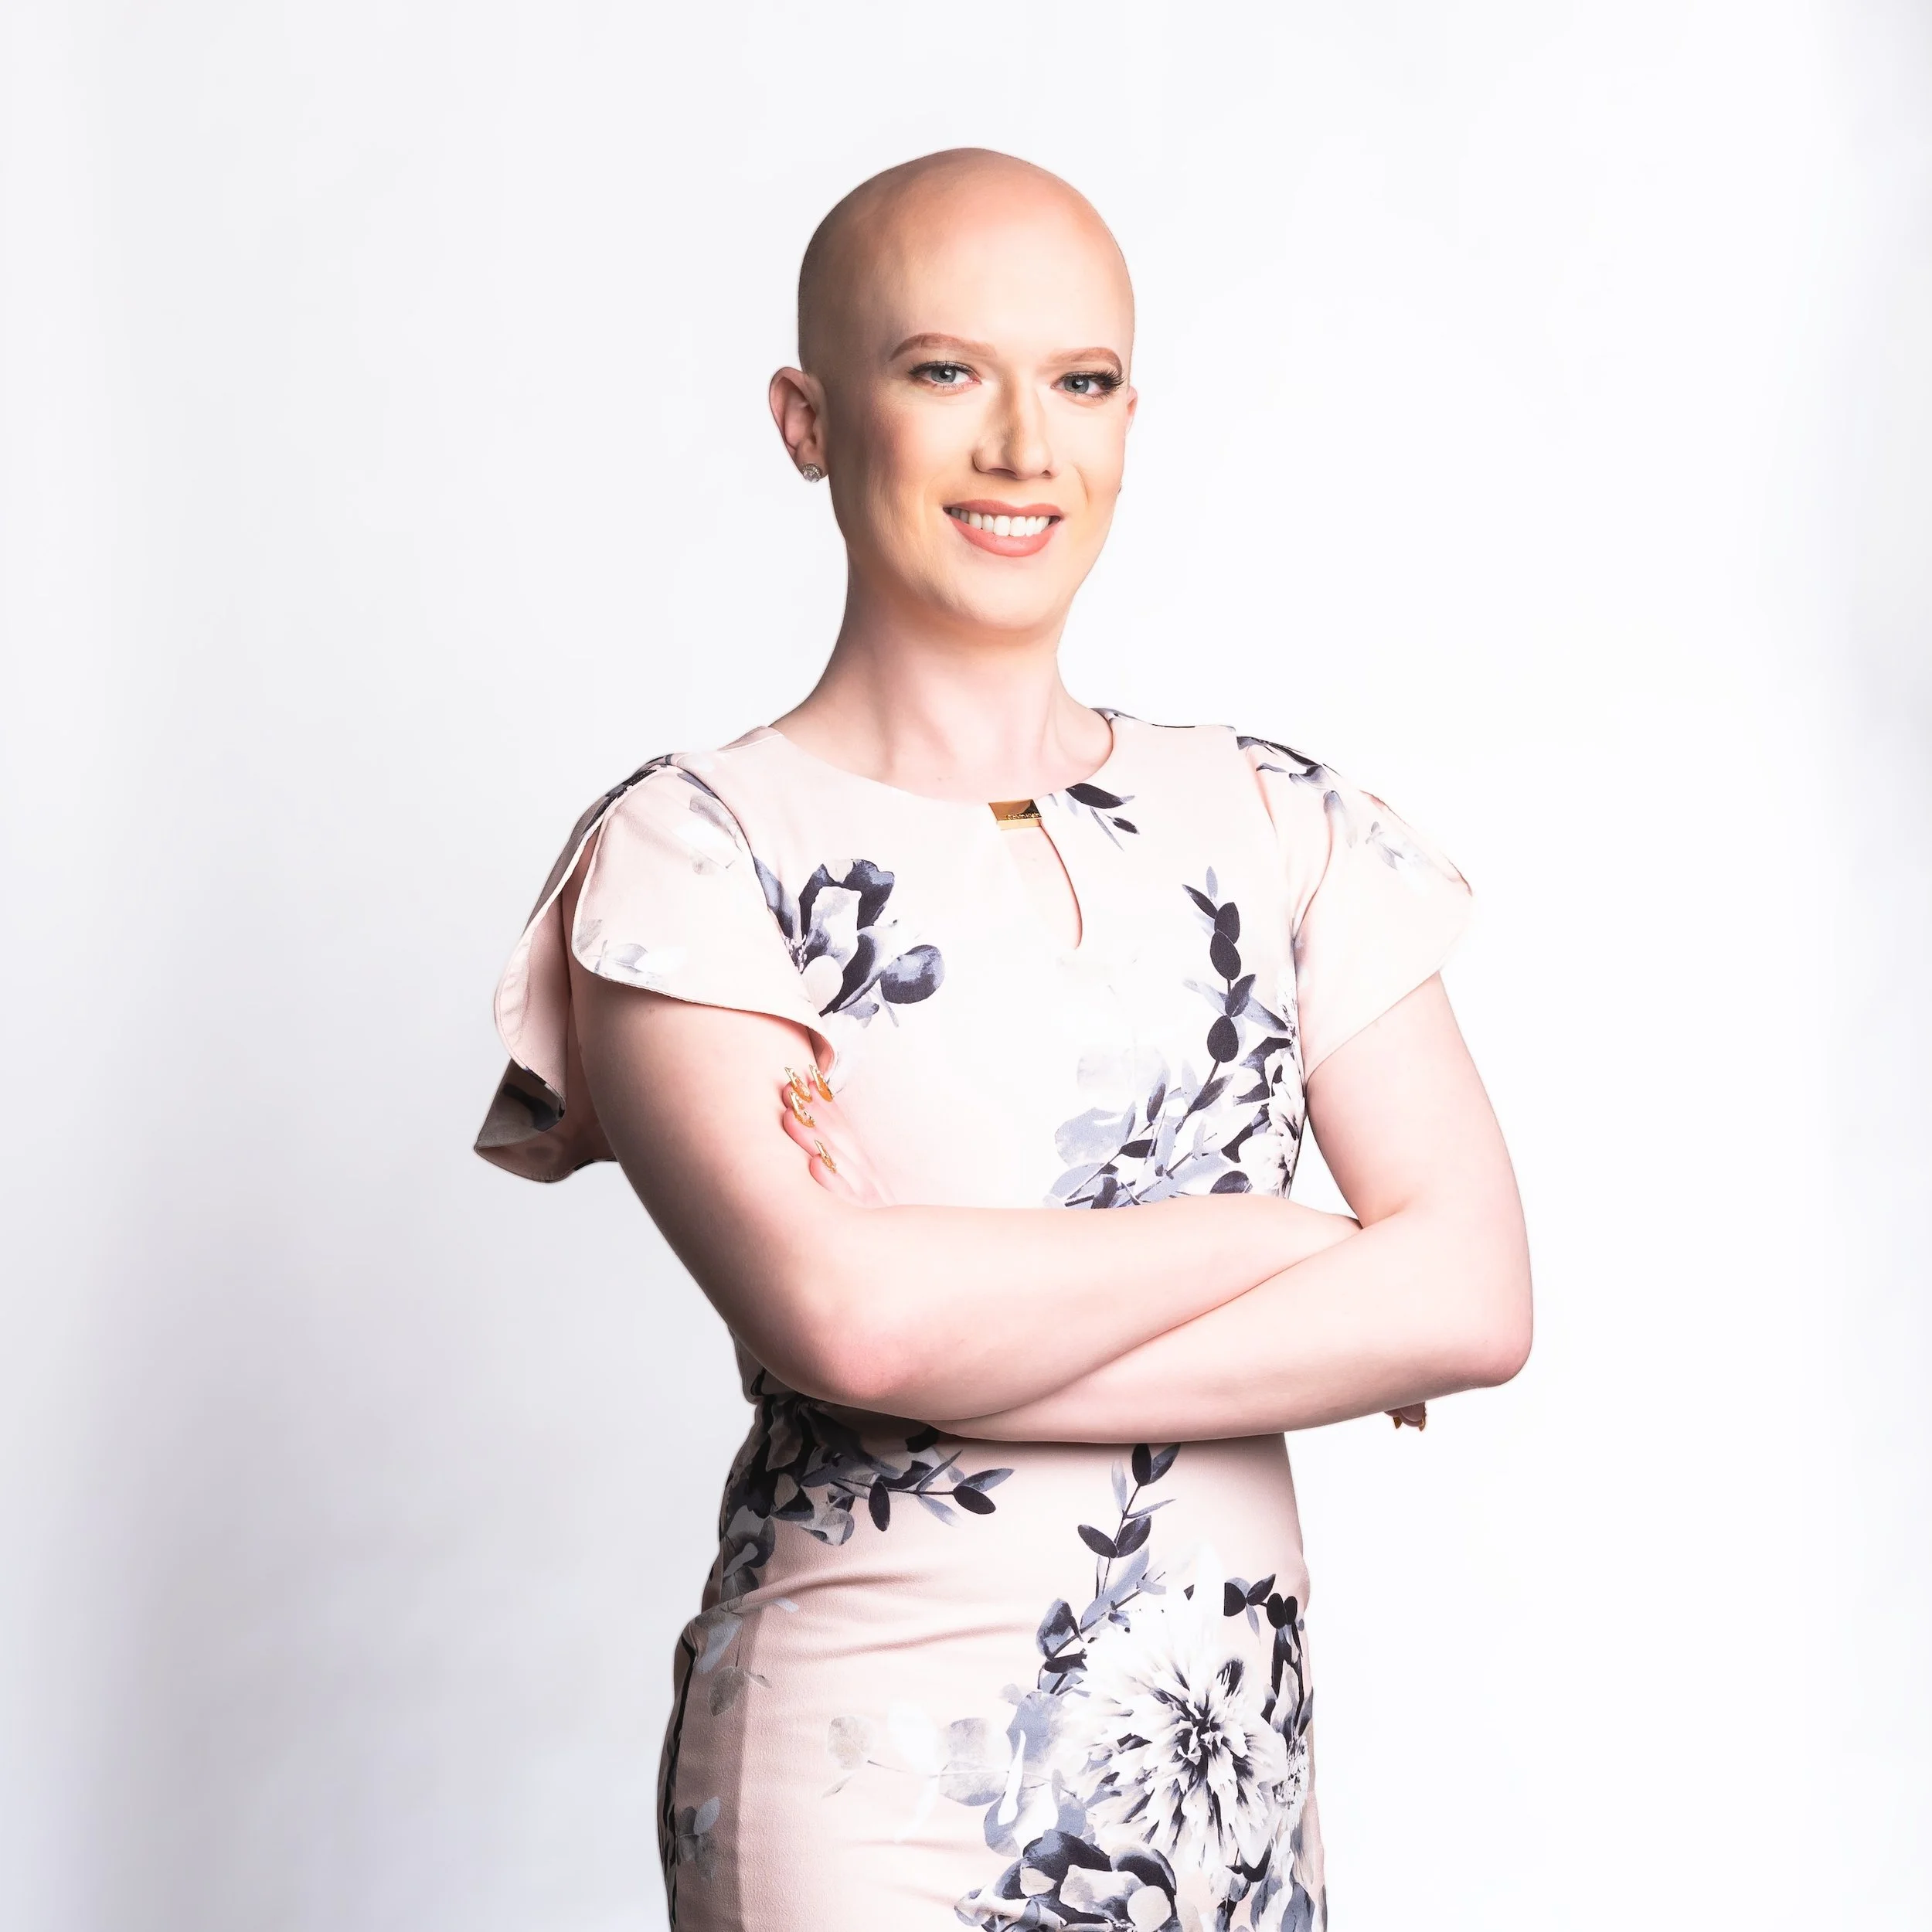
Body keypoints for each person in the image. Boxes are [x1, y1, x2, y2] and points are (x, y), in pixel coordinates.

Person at [473, 148, 1531, 1932]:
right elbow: (842, 1317)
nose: (1024, 448)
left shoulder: (1278, 820)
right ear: (808, 419)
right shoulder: (697, 844)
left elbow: (1473, 1298)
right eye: (945, 370)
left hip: (1223, 1766)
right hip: (866, 1775)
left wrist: (948, 1317)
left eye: (1082, 381)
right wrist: (1287, 1250)